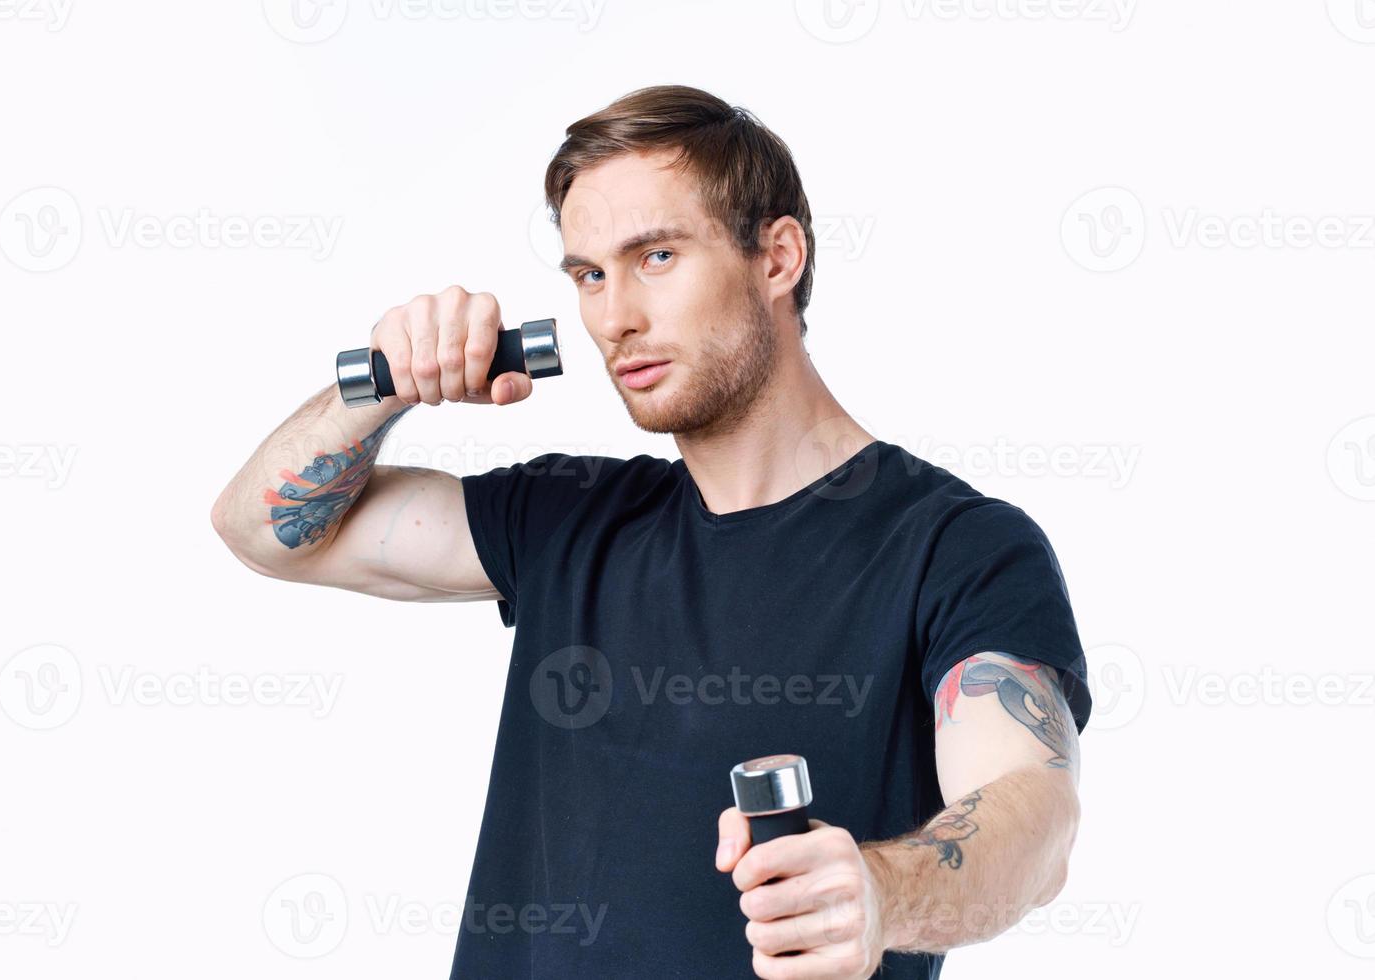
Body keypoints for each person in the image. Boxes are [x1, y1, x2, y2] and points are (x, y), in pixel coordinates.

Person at [211, 84, 1092, 979]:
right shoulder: (570, 518)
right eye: (589, 274)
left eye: (657, 256)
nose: (613, 317)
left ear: (778, 256)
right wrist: (386, 384)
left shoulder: (955, 548)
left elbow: (1032, 820)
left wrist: (877, 889)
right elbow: (263, 530)